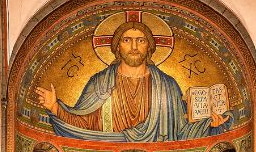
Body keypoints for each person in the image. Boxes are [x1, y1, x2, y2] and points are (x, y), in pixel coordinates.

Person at [34, 21, 231, 142]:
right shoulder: (100, 83)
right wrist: (55, 108)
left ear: (150, 48)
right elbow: (83, 125)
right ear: (117, 47)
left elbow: (180, 133)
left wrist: (210, 125)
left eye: (141, 41)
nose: (134, 47)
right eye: (127, 40)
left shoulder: (168, 86)